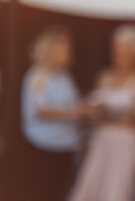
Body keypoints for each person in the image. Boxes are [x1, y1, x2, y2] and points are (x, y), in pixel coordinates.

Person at [68, 24, 135, 201]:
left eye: (123, 49)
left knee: (117, 192)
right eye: (116, 49)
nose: (118, 54)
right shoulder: (104, 77)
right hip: (101, 142)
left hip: (126, 144)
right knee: (90, 190)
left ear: (134, 52)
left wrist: (107, 115)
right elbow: (92, 113)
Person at [21, 25, 96, 201]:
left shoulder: (64, 76)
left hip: (67, 145)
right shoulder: (38, 75)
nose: (70, 52)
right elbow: (40, 110)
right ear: (52, 50)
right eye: (66, 48)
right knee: (45, 193)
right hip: (45, 146)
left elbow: (72, 104)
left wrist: (86, 107)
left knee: (61, 193)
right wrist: (76, 113)